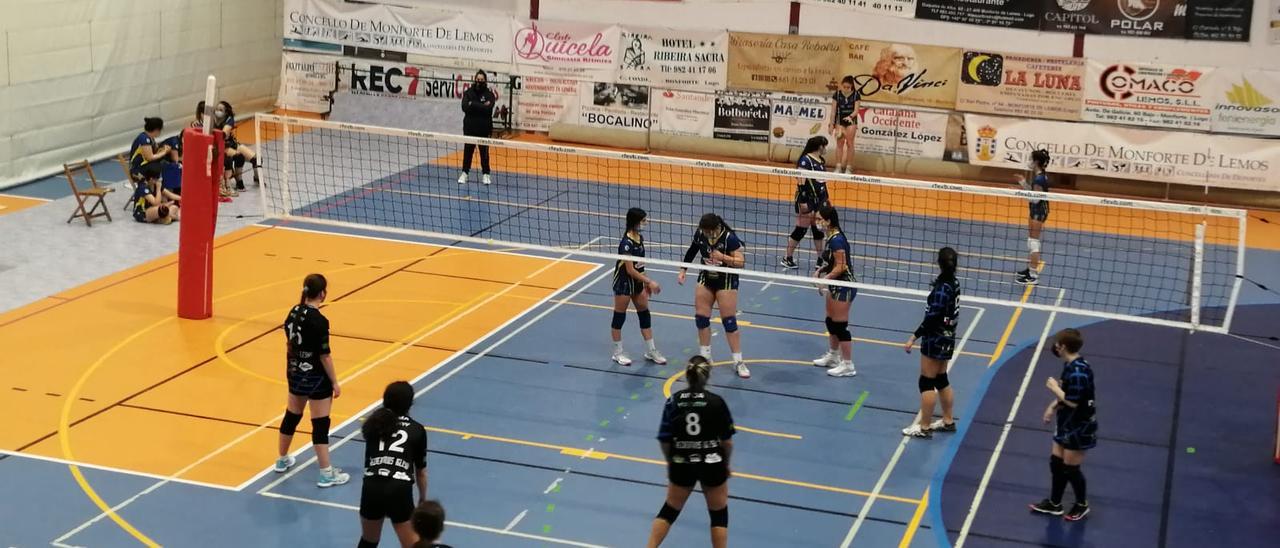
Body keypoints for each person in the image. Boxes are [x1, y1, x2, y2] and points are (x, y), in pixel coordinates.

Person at [647, 356, 734, 548]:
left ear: (687, 376)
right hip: (712, 461)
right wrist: (725, 464)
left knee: (669, 510)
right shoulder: (716, 402)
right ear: (707, 376)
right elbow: (727, 441)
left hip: (682, 461)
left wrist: (671, 462)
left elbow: (664, 439)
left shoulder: (674, 401)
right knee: (719, 515)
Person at [274, 273, 350, 488]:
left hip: (295, 372)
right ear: (323, 293)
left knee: (292, 416)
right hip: (316, 378)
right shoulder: (319, 321)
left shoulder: (293, 312)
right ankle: (326, 473)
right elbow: (324, 355)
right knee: (320, 424)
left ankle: (282, 458)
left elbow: (289, 342)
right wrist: (334, 381)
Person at [1029, 328, 1096, 522]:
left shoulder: (1078, 371)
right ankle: (1055, 503)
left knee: (1071, 469)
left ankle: (1082, 505)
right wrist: (1052, 407)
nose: (1055, 346)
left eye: (1057, 344)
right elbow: (1066, 395)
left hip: (1080, 425)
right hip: (1066, 421)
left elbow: (1073, 401)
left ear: (1063, 346)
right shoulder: (1070, 364)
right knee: (1056, 463)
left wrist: (1054, 388)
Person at [678, 214, 749, 379]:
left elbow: (740, 262)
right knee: (701, 318)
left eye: (710, 232)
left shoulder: (729, 238)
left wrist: (722, 257)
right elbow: (692, 250)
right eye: (705, 232)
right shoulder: (701, 234)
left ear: (717, 228)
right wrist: (683, 270)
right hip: (706, 278)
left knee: (729, 322)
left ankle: (738, 361)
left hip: (726, 280)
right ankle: (705, 357)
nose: (707, 235)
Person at [358, 381, 429, 548]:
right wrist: (422, 499)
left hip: (372, 485)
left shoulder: (374, 424)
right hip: (398, 487)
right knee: (412, 545)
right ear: (410, 403)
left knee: (369, 541)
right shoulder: (417, 429)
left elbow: (368, 462)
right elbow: (421, 472)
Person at [902, 247, 961, 439]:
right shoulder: (954, 283)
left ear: (939, 263)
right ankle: (947, 420)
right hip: (948, 336)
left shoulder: (942, 289)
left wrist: (914, 336)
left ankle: (924, 427)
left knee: (926, 381)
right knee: (941, 378)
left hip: (935, 338)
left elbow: (932, 318)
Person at [611, 207, 668, 366]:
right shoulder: (626, 244)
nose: (646, 223)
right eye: (643, 220)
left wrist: (645, 281)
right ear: (635, 221)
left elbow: (640, 265)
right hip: (623, 282)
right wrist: (650, 282)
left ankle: (651, 350)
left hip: (637, 281)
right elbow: (629, 270)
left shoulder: (640, 238)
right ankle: (617, 353)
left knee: (644, 314)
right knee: (619, 318)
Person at [810, 206, 858, 378]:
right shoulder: (830, 237)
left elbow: (842, 266)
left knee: (840, 326)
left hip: (845, 286)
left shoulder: (837, 240)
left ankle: (848, 365)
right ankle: (833, 356)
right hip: (836, 284)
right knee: (830, 321)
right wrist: (820, 271)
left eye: (818, 219)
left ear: (828, 221)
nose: (816, 223)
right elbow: (832, 263)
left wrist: (825, 279)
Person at [781, 136, 830, 270]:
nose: (826, 148)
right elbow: (801, 182)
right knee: (801, 229)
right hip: (807, 200)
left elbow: (821, 182)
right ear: (819, 146)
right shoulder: (805, 161)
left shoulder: (820, 161)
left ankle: (821, 259)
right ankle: (787, 257)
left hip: (819, 200)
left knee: (818, 229)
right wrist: (803, 202)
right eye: (824, 146)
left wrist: (826, 199)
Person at [1016, 149, 1051, 285]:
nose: (1029, 161)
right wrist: (1024, 183)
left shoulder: (1039, 178)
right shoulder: (1040, 175)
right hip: (1036, 210)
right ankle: (1030, 269)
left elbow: (1035, 199)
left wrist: (1023, 185)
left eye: (1031, 159)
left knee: (1034, 243)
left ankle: (1033, 275)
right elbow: (1035, 194)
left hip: (1039, 211)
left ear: (1036, 162)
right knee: (1031, 241)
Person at [458, 70, 497, 186]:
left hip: (484, 128)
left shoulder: (490, 94)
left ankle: (486, 174)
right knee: (468, 151)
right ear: (474, 79)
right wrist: (481, 106)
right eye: (477, 79)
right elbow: (464, 107)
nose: (479, 81)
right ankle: (465, 173)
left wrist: (473, 104)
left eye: (481, 79)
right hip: (470, 128)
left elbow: (489, 108)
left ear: (485, 80)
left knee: (484, 153)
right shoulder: (468, 93)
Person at [215, 101, 262, 191]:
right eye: (217, 109)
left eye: (221, 110)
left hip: (233, 144)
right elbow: (222, 135)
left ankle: (257, 178)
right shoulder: (212, 119)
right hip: (222, 147)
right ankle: (239, 182)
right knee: (239, 157)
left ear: (226, 112)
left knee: (257, 160)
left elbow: (224, 133)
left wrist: (225, 132)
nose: (218, 111)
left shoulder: (229, 119)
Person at [829, 76, 861, 174]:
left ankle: (849, 167)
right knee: (840, 143)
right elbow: (833, 111)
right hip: (840, 121)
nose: (846, 89)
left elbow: (856, 110)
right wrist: (831, 124)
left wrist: (850, 117)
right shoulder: (837, 95)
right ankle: (838, 166)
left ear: (852, 86)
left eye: (848, 87)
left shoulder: (856, 95)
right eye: (844, 87)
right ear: (841, 85)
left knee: (850, 143)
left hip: (851, 121)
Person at [129, 117, 173, 184]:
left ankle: (170, 182)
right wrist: (164, 152)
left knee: (167, 157)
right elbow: (150, 157)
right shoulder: (144, 139)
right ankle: (152, 186)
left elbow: (155, 152)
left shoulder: (150, 138)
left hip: (145, 164)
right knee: (156, 167)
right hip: (137, 169)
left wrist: (163, 150)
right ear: (156, 130)